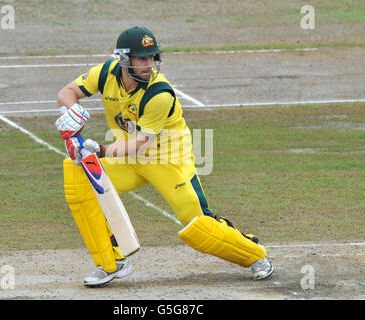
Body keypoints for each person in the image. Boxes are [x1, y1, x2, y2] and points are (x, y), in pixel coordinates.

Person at [55, 26, 273, 287]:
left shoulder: (159, 93)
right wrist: (74, 110)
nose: (149, 65)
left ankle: (255, 256)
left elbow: (142, 142)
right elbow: (67, 92)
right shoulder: (105, 73)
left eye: (152, 58)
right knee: (79, 176)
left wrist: (100, 151)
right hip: (130, 159)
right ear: (124, 59)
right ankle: (111, 262)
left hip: (168, 162)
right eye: (142, 58)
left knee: (198, 224)